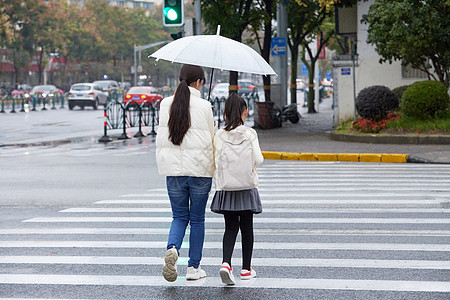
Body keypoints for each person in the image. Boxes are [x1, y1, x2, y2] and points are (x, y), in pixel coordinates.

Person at [156, 64, 215, 282]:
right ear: (199, 82)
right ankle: (193, 268)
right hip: (199, 170)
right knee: (197, 219)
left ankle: (173, 247)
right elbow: (211, 137)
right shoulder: (205, 105)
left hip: (173, 171)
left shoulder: (165, 104)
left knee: (179, 216)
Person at [210, 93, 264, 285]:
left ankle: (226, 263)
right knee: (247, 228)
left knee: (230, 227)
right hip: (246, 186)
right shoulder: (250, 134)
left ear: (225, 113)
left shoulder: (219, 134)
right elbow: (259, 159)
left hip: (227, 187)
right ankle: (246, 269)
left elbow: (215, 161)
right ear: (245, 112)